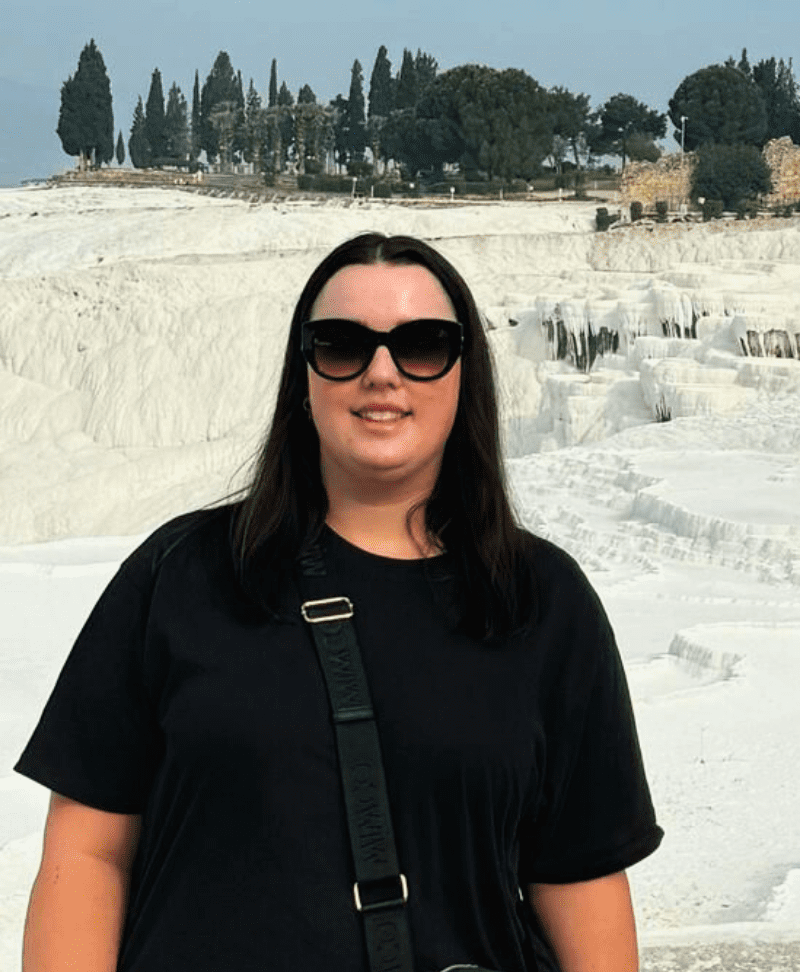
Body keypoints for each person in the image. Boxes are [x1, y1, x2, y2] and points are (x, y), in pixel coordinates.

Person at [16, 233, 662, 972]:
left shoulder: (540, 600)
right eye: (342, 344)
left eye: (423, 345)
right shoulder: (183, 575)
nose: (382, 373)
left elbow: (579, 878)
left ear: (465, 374)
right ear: (304, 375)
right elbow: (88, 853)